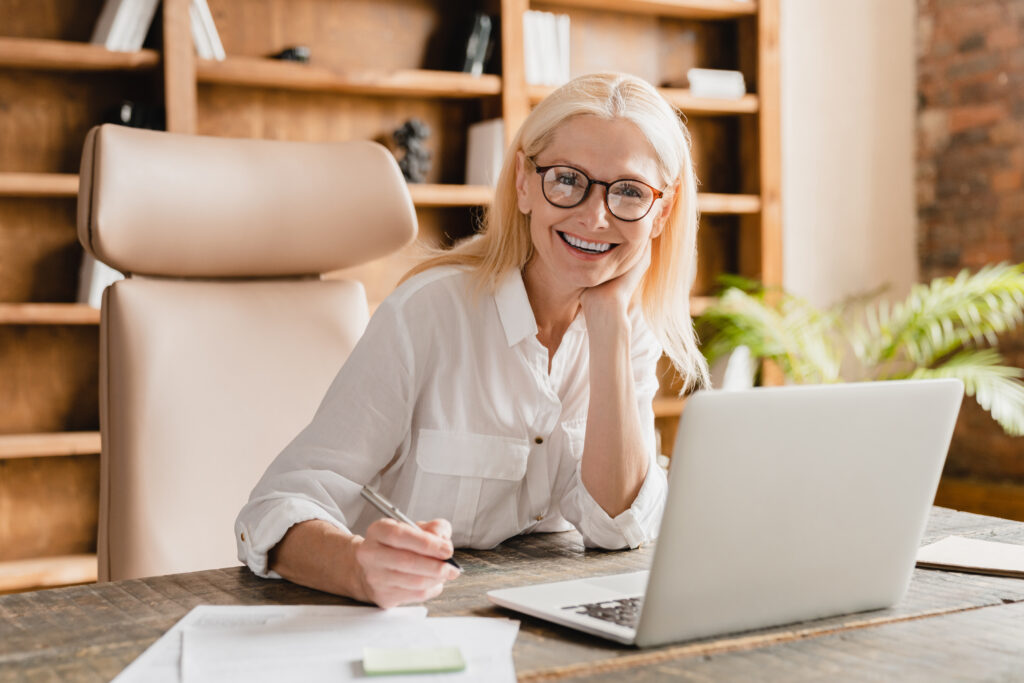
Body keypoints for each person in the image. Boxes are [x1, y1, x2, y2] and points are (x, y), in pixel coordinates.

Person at [235, 72, 710, 608]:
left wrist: (610, 326)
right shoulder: (427, 314)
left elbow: (616, 525)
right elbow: (274, 508)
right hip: (398, 620)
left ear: (661, 211)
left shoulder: (628, 328)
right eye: (567, 179)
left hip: (539, 618)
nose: (594, 216)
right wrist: (359, 570)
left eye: (628, 191)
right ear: (524, 182)